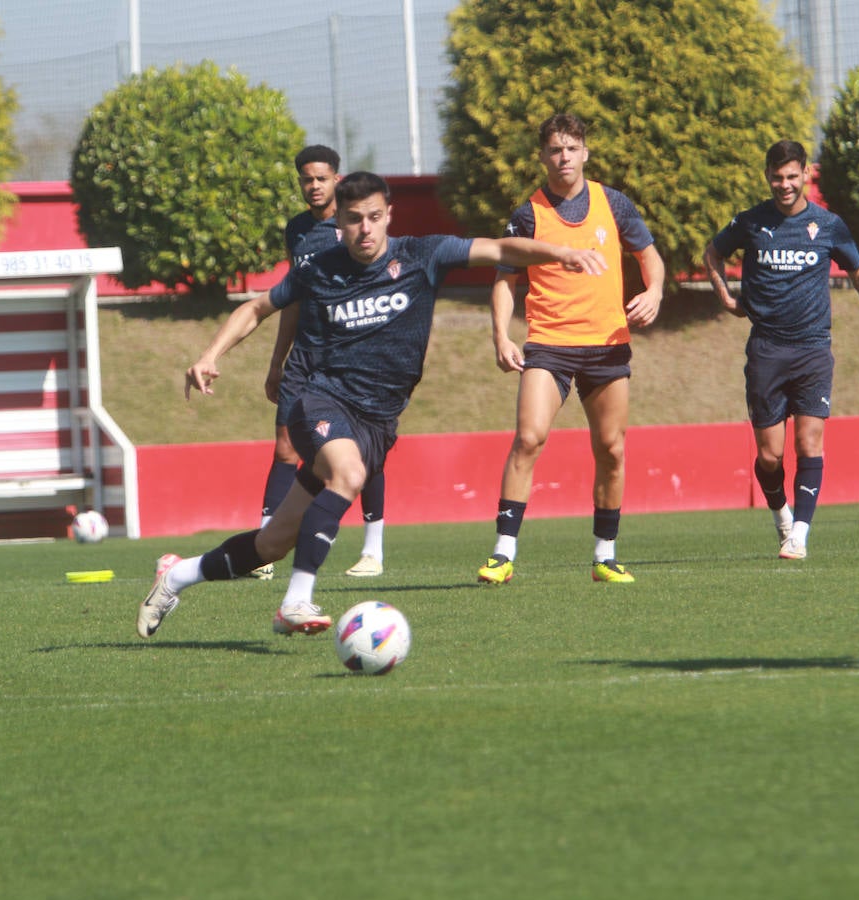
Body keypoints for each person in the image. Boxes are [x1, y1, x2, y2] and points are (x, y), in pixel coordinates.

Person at [137, 171, 606, 638]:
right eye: (355, 219)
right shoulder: (319, 269)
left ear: (389, 217)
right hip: (318, 399)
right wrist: (210, 355)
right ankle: (295, 601)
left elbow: (501, 249)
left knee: (272, 543)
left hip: (377, 420)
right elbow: (257, 308)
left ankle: (175, 576)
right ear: (338, 221)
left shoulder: (423, 255)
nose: (365, 229)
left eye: (375, 218)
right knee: (349, 474)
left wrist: (561, 252)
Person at [478, 113, 665, 586]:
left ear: (585, 152)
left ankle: (605, 556)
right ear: (543, 157)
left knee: (611, 449)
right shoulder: (528, 215)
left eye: (572, 147)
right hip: (549, 343)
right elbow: (504, 281)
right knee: (529, 438)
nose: (564, 156)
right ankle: (502, 554)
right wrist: (501, 335)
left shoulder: (613, 203)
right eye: (555, 149)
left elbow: (649, 257)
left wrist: (654, 291)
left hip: (606, 345)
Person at [704, 140, 859, 560]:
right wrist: (725, 297)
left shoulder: (828, 226)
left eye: (792, 176)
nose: (784, 185)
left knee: (810, 443)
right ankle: (782, 518)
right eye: (777, 177)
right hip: (767, 351)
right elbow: (712, 254)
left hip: (812, 349)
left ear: (807, 173)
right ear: (767, 176)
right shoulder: (751, 222)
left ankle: (801, 534)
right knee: (769, 457)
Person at [254, 145, 388, 581]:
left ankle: (373, 549)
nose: (313, 186)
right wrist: (278, 362)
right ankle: (263, 547)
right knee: (284, 448)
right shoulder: (296, 231)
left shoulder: (353, 225)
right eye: (306, 180)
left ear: (337, 179)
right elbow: (291, 299)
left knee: (366, 451)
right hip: (306, 356)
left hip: (352, 354)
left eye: (321, 179)